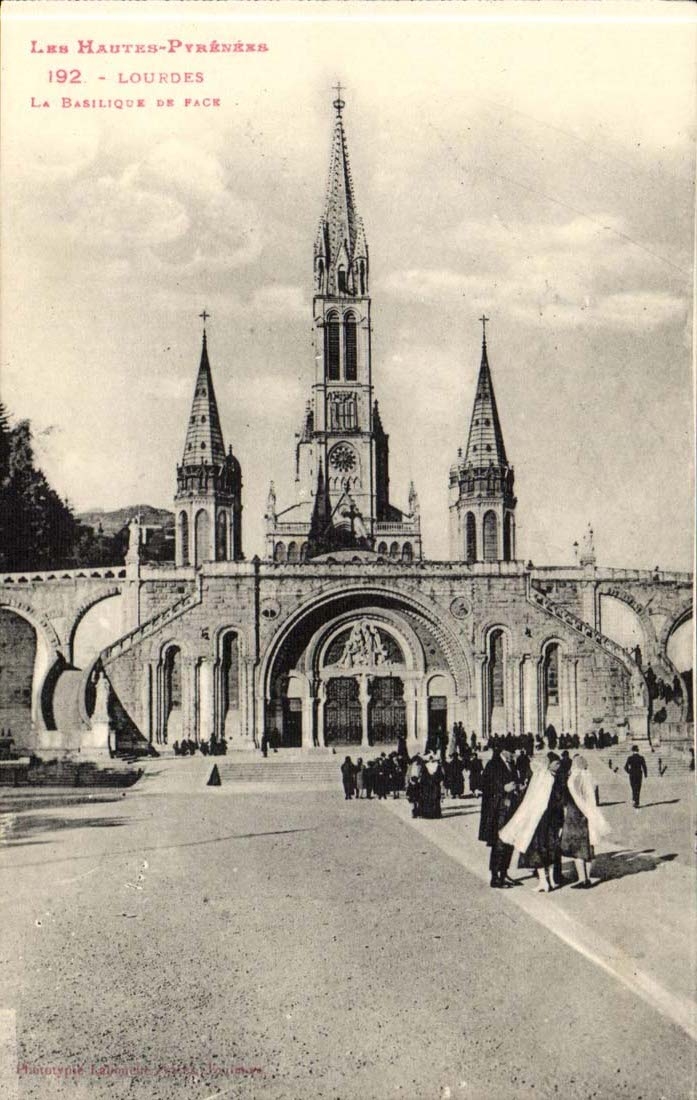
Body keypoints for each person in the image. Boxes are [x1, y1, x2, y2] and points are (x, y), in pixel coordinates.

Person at [499, 754, 564, 892]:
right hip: (550, 820)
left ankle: (543, 882)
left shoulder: (540, 778)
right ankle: (551, 880)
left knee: (538, 851)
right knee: (550, 849)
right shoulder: (551, 778)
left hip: (539, 820)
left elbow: (532, 802)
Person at [561, 755, 611, 888]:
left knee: (577, 848)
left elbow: (572, 797)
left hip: (575, 814)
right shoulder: (588, 776)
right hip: (588, 814)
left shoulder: (573, 778)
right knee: (588, 847)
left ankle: (582, 879)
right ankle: (587, 877)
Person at [478, 749, 520, 888]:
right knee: (499, 844)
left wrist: (518, 786)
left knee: (509, 842)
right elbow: (485, 785)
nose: (514, 754)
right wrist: (503, 788)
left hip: (510, 809)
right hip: (497, 811)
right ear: (504, 751)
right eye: (511, 751)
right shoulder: (493, 764)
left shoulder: (511, 764)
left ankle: (504, 874)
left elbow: (515, 780)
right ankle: (495, 878)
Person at [624, 744, 648, 809]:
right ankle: (637, 802)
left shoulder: (630, 758)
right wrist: (645, 774)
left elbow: (625, 767)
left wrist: (629, 772)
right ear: (638, 750)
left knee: (633, 787)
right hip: (639, 774)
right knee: (638, 788)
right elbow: (644, 766)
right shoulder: (641, 757)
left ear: (632, 750)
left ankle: (634, 800)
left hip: (632, 775)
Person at [420, 754, 443, 818]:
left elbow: (441, 776)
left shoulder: (437, 766)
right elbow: (423, 776)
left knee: (435, 798)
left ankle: (436, 814)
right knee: (428, 799)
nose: (431, 759)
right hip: (428, 786)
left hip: (435, 785)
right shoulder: (425, 766)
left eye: (432, 758)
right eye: (430, 758)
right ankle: (428, 814)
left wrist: (436, 779)